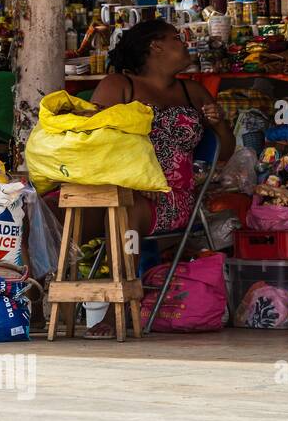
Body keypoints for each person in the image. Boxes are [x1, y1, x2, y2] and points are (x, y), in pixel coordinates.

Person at [86, 19, 236, 338]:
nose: (185, 42)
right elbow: (92, 139)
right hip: (116, 185)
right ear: (156, 46)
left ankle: (121, 308)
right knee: (44, 208)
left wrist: (220, 124)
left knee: (127, 211)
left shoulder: (192, 91)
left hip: (171, 196)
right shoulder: (119, 85)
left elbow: (223, 152)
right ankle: (32, 298)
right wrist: (133, 179)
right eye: (176, 38)